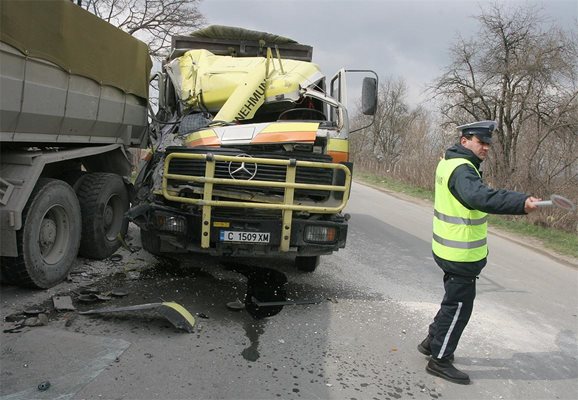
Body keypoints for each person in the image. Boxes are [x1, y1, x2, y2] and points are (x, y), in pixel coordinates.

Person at [419, 120, 541, 385]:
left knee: (452, 300)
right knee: (459, 306)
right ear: (465, 141)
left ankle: (432, 342)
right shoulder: (463, 170)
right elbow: (480, 197)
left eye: (487, 144)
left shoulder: (448, 162)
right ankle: (439, 359)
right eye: (480, 142)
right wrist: (521, 202)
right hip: (460, 254)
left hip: (447, 249)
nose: (485, 148)